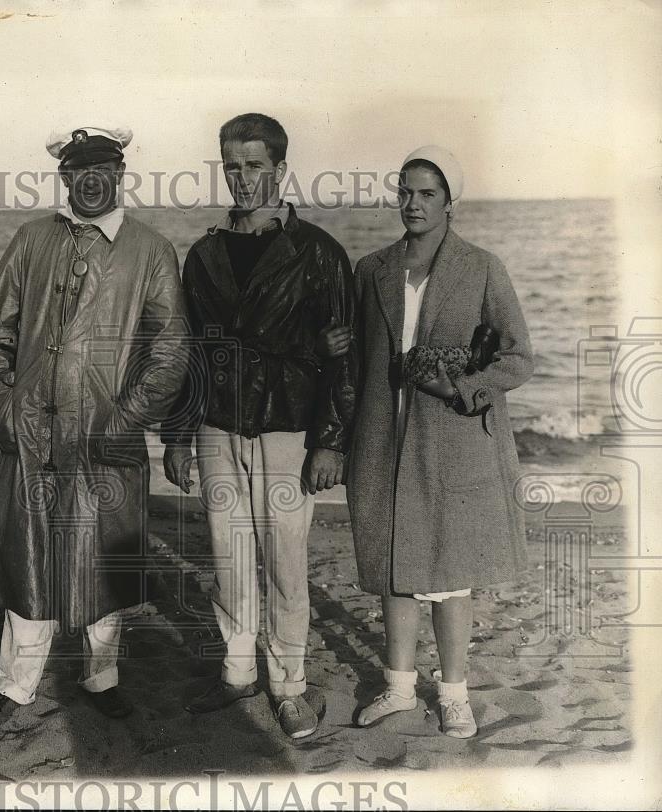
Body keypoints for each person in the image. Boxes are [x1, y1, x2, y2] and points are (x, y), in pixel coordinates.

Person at [0, 125, 189, 722]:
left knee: (105, 563)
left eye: (103, 168)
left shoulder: (150, 250)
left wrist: (127, 419)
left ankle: (102, 678)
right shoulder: (31, 238)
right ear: (63, 177)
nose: (91, 179)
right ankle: (15, 686)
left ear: (121, 175)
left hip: (107, 439)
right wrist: (6, 402)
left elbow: (169, 350)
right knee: (28, 560)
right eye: (78, 169)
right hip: (34, 439)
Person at [161, 113, 357, 739]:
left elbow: (343, 360)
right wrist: (177, 434)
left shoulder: (319, 253)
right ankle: (238, 672)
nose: (242, 179)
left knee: (284, 561)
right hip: (218, 426)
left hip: (286, 426)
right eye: (231, 166)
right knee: (228, 555)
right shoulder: (205, 253)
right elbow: (188, 350)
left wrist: (329, 442)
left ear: (279, 169)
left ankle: (291, 687)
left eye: (254, 165)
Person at [344, 146, 533, 738]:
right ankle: (400, 688)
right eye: (405, 191)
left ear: (452, 200)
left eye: (427, 193)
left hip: (451, 441)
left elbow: (518, 357)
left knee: (449, 571)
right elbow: (355, 359)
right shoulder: (371, 268)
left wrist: (460, 387)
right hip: (382, 438)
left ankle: (454, 695)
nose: (413, 203)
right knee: (393, 565)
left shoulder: (481, 267)